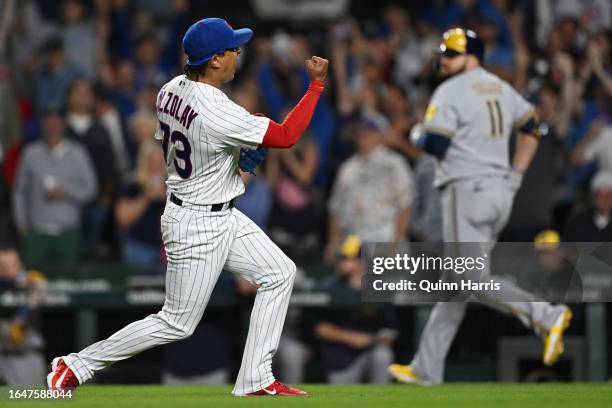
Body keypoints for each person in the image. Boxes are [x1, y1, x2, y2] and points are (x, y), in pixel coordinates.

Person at [47, 17, 328, 397]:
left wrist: (234, 161)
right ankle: (76, 365)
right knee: (176, 322)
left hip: (216, 208)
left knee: (279, 272)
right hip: (196, 221)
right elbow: (287, 135)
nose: (237, 53)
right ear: (214, 60)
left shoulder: (169, 90)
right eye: (232, 49)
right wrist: (315, 85)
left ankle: (256, 378)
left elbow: (181, 143)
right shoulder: (217, 109)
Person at [388, 28, 572, 385]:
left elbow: (437, 145)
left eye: (453, 54)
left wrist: (415, 134)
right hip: (499, 192)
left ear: (473, 56)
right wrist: (516, 175)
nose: (445, 60)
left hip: (466, 191)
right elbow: (533, 129)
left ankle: (547, 316)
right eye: (444, 53)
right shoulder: (502, 87)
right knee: (456, 284)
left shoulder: (449, 90)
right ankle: (426, 367)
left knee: (469, 278)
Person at [12, 107, 97, 265]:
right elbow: (19, 191)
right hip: (36, 231)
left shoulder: (78, 153)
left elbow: (91, 189)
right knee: (33, 279)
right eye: (49, 120)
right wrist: (21, 223)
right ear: (43, 124)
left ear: (63, 124)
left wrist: (66, 192)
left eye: (57, 120)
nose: (53, 124)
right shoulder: (31, 153)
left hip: (68, 231)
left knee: (69, 282)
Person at [314, 236, 397, 384]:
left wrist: (375, 339)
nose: (342, 261)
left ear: (361, 261)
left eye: (348, 258)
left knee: (382, 355)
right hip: (340, 356)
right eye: (341, 257)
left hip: (370, 351)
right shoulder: (330, 287)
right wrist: (351, 337)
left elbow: (390, 328)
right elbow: (318, 327)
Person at [115, 141, 166, 266]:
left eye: (160, 163)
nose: (156, 167)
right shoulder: (133, 186)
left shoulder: (174, 186)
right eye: (152, 162)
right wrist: (147, 197)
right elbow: (123, 220)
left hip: (169, 251)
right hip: (139, 248)